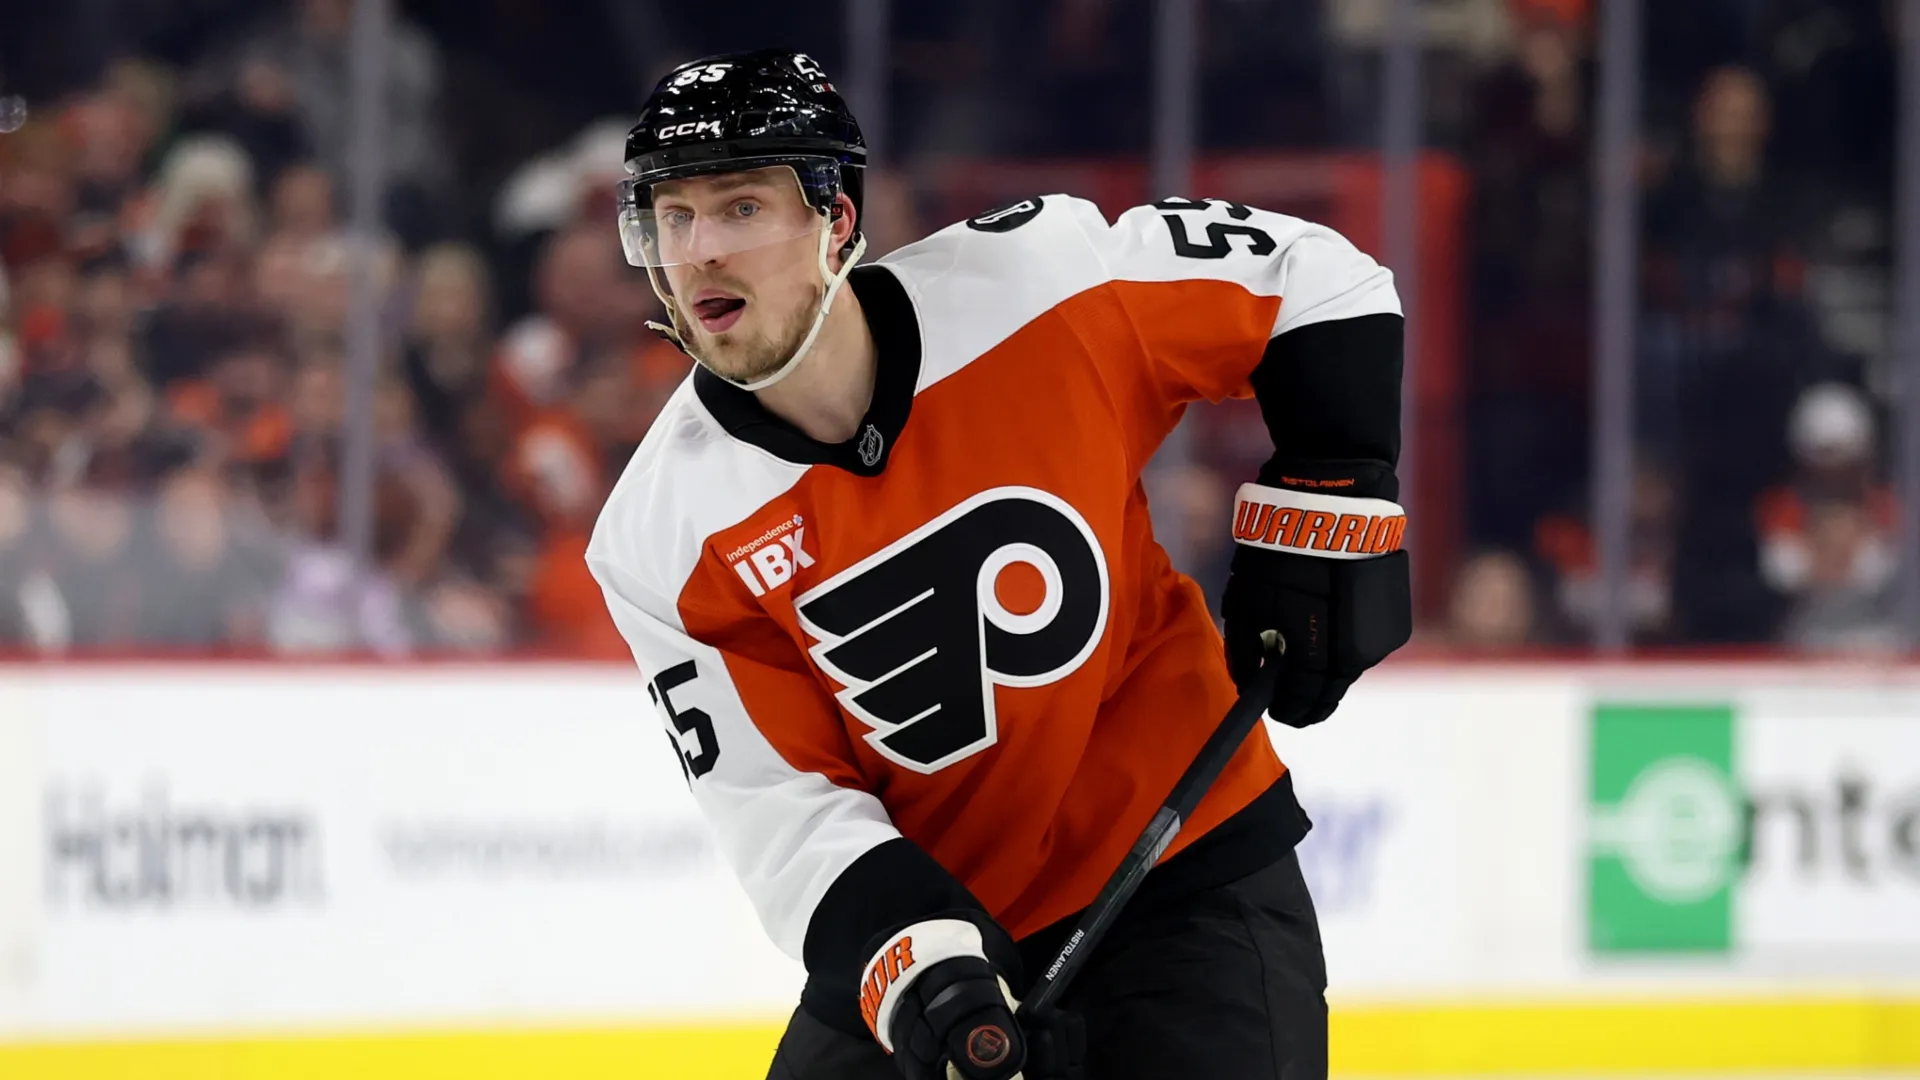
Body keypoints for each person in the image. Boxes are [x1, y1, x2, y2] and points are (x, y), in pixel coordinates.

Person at [587, 50, 1412, 1080]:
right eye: (673, 217)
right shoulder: (659, 537)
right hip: (941, 936)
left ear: (837, 221)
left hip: (1183, 870)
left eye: (742, 208)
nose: (699, 251)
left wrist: (1329, 507)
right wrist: (925, 966)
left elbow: (1315, 278)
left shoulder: (1040, 286)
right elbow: (783, 809)